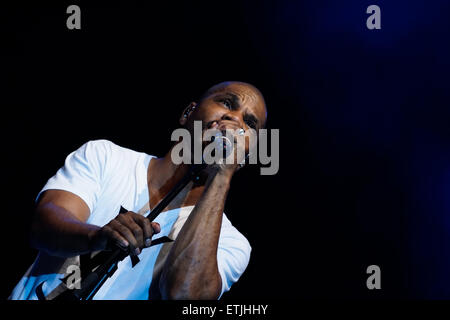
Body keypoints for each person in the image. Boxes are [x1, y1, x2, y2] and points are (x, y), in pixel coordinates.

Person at [9, 81, 268, 300]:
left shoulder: (232, 243)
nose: (235, 120)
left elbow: (184, 295)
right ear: (189, 113)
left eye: (249, 123)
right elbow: (44, 225)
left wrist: (222, 174)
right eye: (227, 103)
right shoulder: (105, 157)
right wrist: (97, 237)